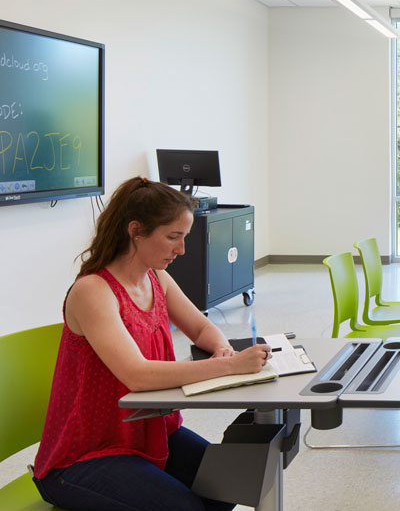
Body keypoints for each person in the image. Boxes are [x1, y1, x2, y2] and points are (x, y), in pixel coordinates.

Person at [32, 177, 271, 510]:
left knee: (228, 486)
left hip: (147, 432)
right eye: (173, 237)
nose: (181, 249)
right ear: (136, 231)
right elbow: (137, 375)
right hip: (81, 457)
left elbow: (201, 327)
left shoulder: (156, 278)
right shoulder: (93, 291)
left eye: (184, 238)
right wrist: (229, 365)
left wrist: (221, 347)